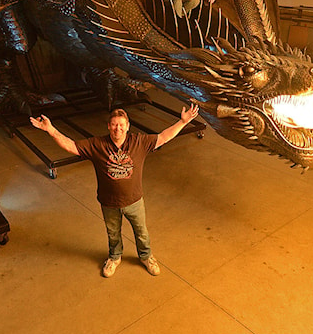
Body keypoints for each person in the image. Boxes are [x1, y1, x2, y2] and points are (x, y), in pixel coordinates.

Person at [30, 103, 200, 277]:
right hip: (109, 202)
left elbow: (164, 136)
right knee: (113, 233)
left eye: (121, 125)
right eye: (114, 124)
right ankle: (114, 257)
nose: (118, 128)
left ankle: (146, 256)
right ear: (109, 126)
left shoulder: (139, 142)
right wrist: (50, 130)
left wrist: (183, 122)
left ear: (127, 127)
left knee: (141, 232)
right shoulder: (97, 144)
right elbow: (71, 145)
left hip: (134, 201)